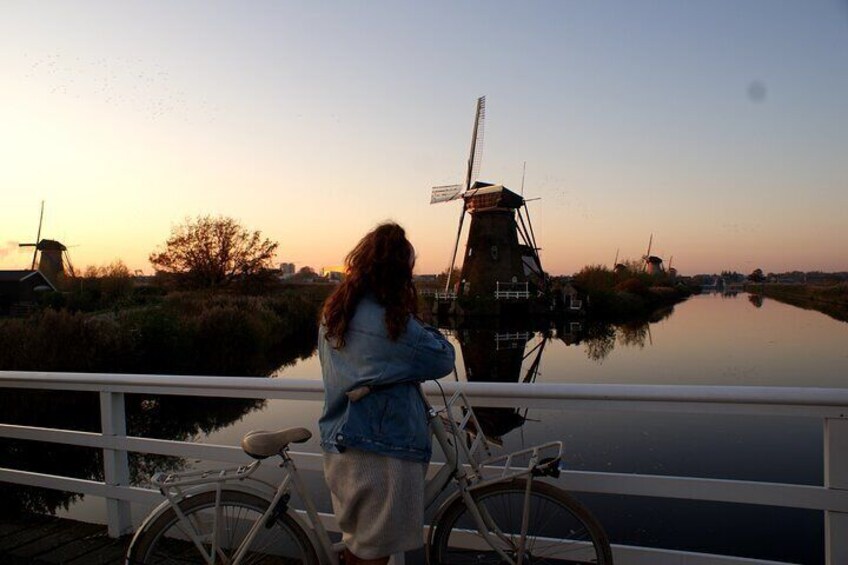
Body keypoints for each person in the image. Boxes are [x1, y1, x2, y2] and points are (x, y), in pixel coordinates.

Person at [318, 222, 455, 565]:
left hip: (340, 444)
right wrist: (410, 314)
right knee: (373, 557)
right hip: (380, 454)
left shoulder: (334, 313)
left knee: (359, 548)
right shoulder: (395, 326)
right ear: (400, 273)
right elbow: (443, 357)